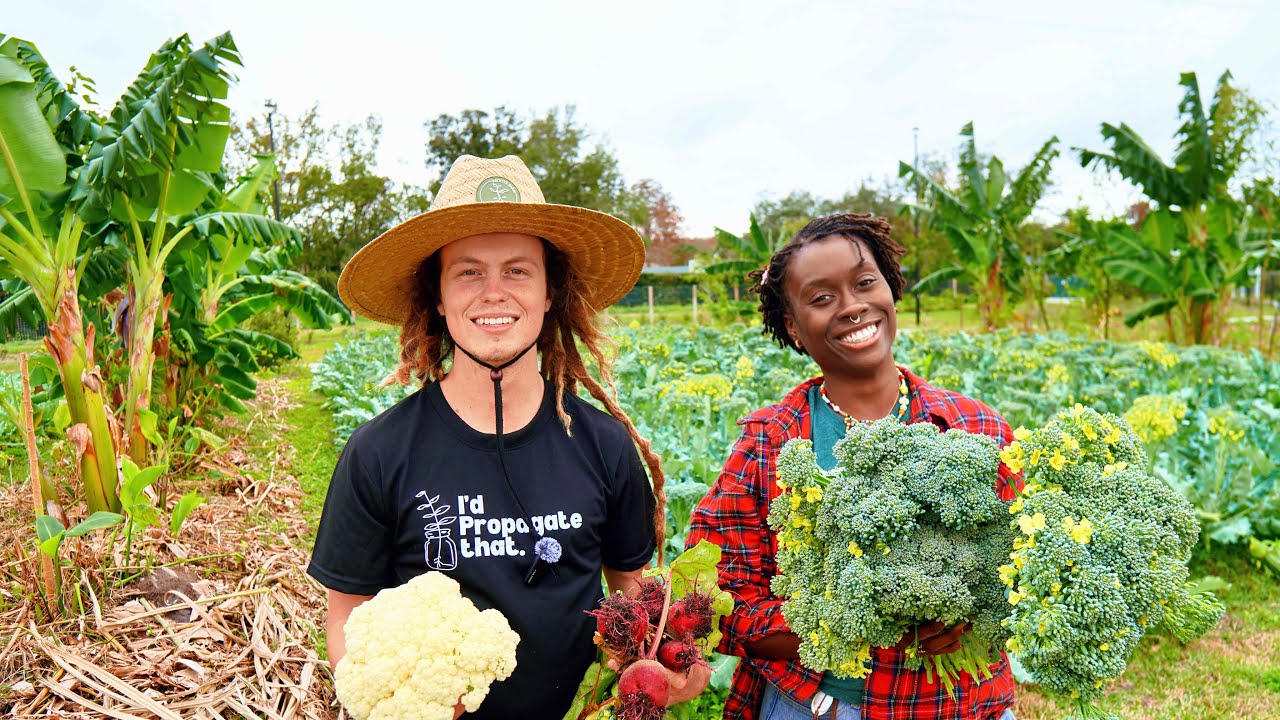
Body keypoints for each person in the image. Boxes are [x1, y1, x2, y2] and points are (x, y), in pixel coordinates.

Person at [308, 155, 707, 719]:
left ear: (549, 294)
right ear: (438, 298)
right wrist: (391, 703)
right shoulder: (378, 452)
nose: (494, 292)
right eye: (468, 272)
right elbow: (348, 612)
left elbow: (631, 591)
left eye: (518, 271)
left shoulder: (605, 445)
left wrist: (659, 661)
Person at [685, 213, 1020, 720]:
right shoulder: (768, 442)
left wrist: (972, 614)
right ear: (794, 328)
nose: (852, 306)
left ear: (890, 288)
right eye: (822, 298)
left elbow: (1022, 561)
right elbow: (715, 598)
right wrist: (851, 622)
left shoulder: (977, 426)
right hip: (822, 707)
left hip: (966, 706)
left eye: (865, 283)